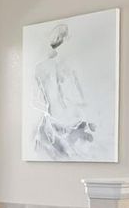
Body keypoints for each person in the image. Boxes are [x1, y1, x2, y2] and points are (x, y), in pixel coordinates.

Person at [31, 23, 96, 159]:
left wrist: (48, 114)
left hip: (51, 120)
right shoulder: (70, 65)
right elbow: (80, 97)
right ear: (65, 39)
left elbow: (36, 101)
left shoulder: (40, 68)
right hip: (69, 121)